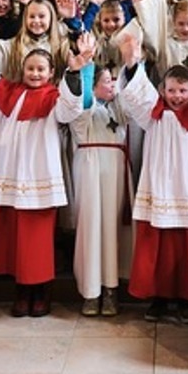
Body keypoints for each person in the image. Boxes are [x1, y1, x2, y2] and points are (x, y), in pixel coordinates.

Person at [0, 31, 86, 317]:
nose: (35, 74)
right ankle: (21, 290)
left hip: (38, 177)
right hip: (9, 176)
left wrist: (75, 73)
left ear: (51, 73)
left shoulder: (55, 98)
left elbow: (71, 109)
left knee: (37, 239)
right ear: (22, 70)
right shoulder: (5, 92)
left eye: (41, 69)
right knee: (14, 238)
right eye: (30, 69)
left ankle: (41, 290)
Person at [117, 32, 188, 324]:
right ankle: (158, 298)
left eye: (182, 90)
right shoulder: (152, 112)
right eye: (171, 90)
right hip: (158, 188)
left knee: (186, 247)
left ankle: (186, 299)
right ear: (162, 90)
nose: (177, 96)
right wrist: (132, 63)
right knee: (158, 246)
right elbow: (136, 93)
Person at [70, 36, 134, 317]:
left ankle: (111, 288)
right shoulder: (84, 110)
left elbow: (132, 103)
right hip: (90, 168)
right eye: (107, 81)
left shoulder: (117, 107)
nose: (112, 85)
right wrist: (86, 66)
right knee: (92, 227)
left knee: (112, 228)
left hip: (116, 170)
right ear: (94, 85)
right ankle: (90, 291)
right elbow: (82, 101)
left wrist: (130, 62)